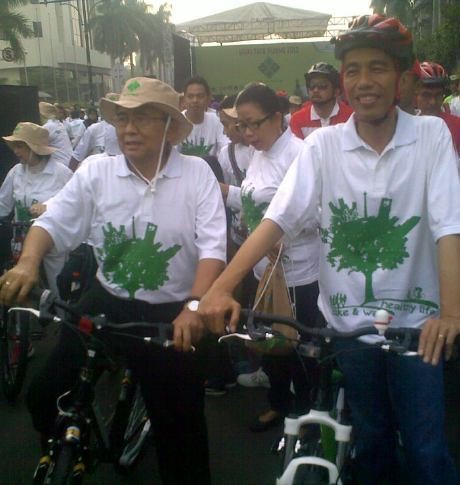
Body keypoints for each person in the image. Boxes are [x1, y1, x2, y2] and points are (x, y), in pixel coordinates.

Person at [199, 15, 460, 485]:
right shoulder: (322, 145)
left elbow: (448, 226)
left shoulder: (431, 136)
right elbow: (278, 218)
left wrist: (452, 314)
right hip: (348, 329)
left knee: (426, 453)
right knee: (371, 444)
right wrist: (221, 287)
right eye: (353, 69)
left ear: (401, 78)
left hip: (418, 329)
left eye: (377, 67)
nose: (364, 81)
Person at [0, 77, 227, 484]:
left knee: (181, 433)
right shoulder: (96, 171)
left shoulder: (197, 174)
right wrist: (27, 263)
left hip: (173, 311)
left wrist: (194, 305)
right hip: (107, 298)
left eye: (143, 118)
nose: (129, 129)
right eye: (122, 119)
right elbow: (53, 221)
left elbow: (212, 246)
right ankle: (64, 453)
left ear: (169, 126)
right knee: (44, 394)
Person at [233, 83, 320, 431]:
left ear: (278, 117)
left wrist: (281, 232)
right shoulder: (258, 154)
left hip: (297, 273)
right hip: (263, 271)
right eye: (242, 125)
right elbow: (254, 199)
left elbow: (319, 213)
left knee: (299, 347)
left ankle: (307, 413)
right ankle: (280, 404)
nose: (248, 133)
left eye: (254, 124)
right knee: (270, 344)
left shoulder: (299, 154)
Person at [0, 122, 72, 294]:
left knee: (56, 287)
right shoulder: (16, 172)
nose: (16, 151)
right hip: (21, 243)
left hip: (52, 245)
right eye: (15, 146)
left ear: (34, 148)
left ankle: (59, 309)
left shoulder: (61, 173)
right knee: (22, 289)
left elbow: (74, 209)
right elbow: (3, 205)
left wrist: (49, 208)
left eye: (20, 146)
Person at [290, 62, 353, 139]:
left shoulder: (351, 117)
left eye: (322, 86)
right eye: (312, 86)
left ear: (336, 91)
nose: (315, 90)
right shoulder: (297, 119)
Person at [69, 93, 121, 171]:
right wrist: (70, 175)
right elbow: (77, 156)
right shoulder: (94, 129)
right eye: (109, 107)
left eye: (117, 107)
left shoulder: (130, 129)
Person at [416, 61, 460, 153]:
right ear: (415, 95)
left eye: (438, 95)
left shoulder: (457, 126)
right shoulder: (403, 128)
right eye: (426, 95)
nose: (433, 102)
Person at [180, 76, 228, 157]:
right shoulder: (177, 121)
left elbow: (225, 149)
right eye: (190, 96)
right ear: (184, 99)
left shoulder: (217, 120)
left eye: (200, 96)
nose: (195, 100)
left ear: (208, 99)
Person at [39, 102, 73, 167]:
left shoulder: (48, 127)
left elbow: (36, 145)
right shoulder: (59, 124)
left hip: (60, 164)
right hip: (69, 161)